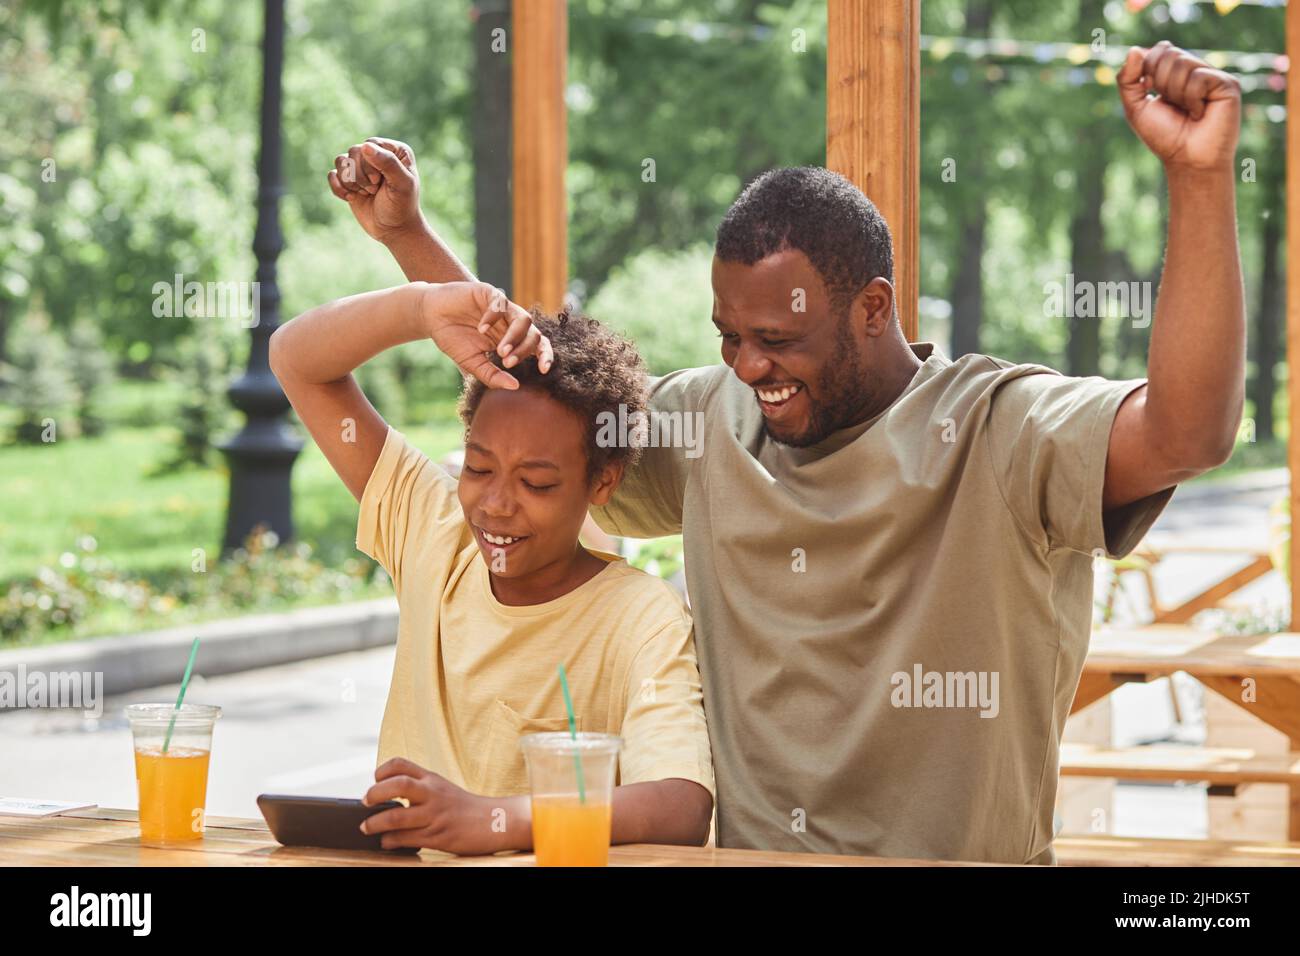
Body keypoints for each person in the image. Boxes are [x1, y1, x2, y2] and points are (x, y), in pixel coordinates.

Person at [328, 42, 1243, 863]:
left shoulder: (1002, 428)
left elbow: (1187, 434)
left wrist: (1199, 180)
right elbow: (540, 404)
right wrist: (410, 240)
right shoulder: (708, 422)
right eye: (728, 334)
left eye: (776, 336)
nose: (748, 364)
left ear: (873, 308)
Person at [268, 281, 714, 854]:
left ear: (602, 481)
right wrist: (422, 309)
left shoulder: (641, 617)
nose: (496, 503)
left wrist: (494, 820)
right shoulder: (435, 534)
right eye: (478, 469)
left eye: (536, 483)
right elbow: (296, 360)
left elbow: (681, 805)